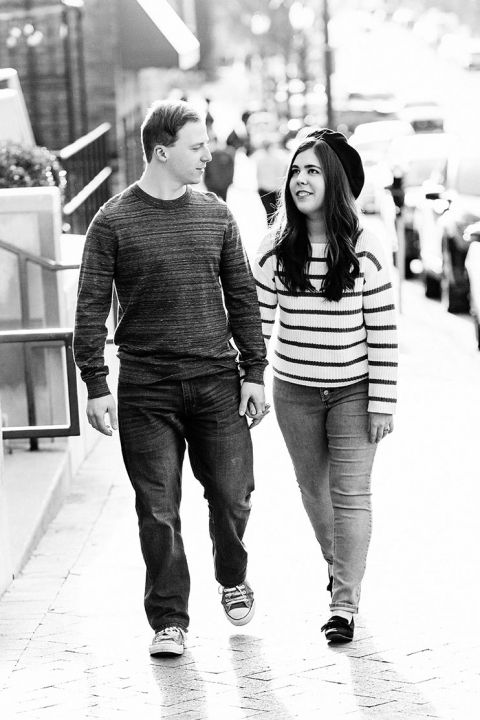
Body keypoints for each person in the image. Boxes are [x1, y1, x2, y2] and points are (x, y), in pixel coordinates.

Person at [73, 100, 269, 657]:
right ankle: (169, 619)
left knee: (233, 496)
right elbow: (90, 307)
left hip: (216, 382)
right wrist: (95, 382)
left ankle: (232, 575)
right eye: (196, 146)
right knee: (157, 509)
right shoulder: (112, 221)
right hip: (146, 389)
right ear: (162, 152)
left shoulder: (216, 214)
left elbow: (243, 298)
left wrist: (254, 371)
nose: (208, 154)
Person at [253, 128, 398, 644]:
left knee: (350, 493)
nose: (301, 180)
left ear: (334, 182)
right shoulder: (274, 247)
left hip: (354, 391)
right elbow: (256, 326)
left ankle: (344, 604)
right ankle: (340, 570)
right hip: (294, 391)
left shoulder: (366, 247)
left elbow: (383, 332)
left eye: (313, 171)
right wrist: (249, 380)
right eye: (296, 171)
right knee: (314, 491)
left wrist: (382, 402)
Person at [252, 135, 288, 223]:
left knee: (270, 213)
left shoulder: (261, 157)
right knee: (275, 213)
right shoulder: (279, 156)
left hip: (268, 189)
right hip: (274, 189)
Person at [203, 136, 235, 201]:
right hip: (212, 187)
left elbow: (230, 171)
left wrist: (227, 183)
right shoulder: (209, 156)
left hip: (223, 186)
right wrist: (208, 184)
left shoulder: (227, 156)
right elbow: (207, 171)